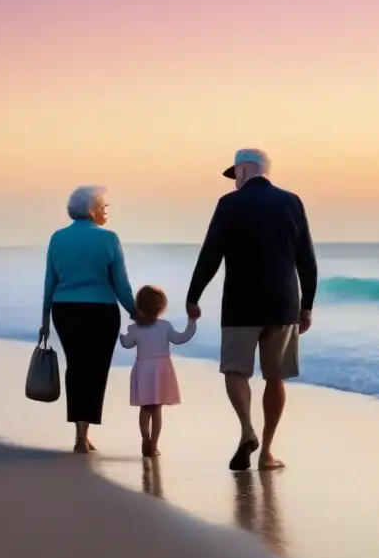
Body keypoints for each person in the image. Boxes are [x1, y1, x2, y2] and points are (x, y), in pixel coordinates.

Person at [185, 148, 317, 472]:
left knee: (235, 371)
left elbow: (210, 254)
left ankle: (247, 429)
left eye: (235, 175)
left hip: (240, 304)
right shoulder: (292, 202)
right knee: (276, 377)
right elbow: (307, 259)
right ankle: (267, 452)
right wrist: (307, 304)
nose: (234, 182)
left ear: (244, 170)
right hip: (282, 303)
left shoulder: (229, 205)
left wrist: (194, 296)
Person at [41, 185, 136, 454]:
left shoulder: (57, 238)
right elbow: (121, 284)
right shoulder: (109, 239)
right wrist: (137, 313)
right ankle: (84, 434)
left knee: (76, 367)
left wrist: (45, 319)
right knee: (96, 371)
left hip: (65, 310)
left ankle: (79, 435)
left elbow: (50, 280)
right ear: (93, 209)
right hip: (101, 311)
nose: (106, 212)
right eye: (104, 207)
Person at [119, 285, 197, 458]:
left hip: (143, 369)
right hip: (161, 370)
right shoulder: (165, 326)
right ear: (161, 307)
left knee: (145, 408)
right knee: (156, 409)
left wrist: (120, 336)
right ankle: (154, 445)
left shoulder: (135, 329)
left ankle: (145, 437)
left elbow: (127, 343)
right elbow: (181, 338)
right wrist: (192, 322)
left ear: (139, 305)